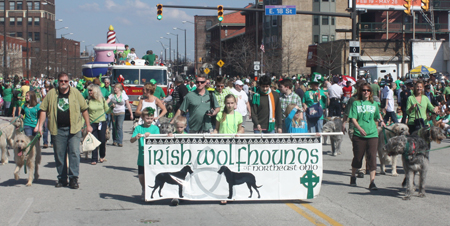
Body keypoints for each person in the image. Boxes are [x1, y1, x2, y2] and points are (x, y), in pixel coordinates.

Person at [35, 72, 93, 189]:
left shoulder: (75, 93)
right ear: (58, 82)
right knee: (59, 155)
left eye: (65, 81)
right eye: (61, 81)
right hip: (57, 129)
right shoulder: (51, 94)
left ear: (69, 81)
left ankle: (73, 178)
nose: (63, 83)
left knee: (74, 153)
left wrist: (88, 125)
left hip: (74, 129)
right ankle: (62, 178)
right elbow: (43, 110)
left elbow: (84, 109)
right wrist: (40, 126)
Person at [348, 83, 385, 190]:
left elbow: (378, 116)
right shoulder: (356, 103)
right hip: (359, 135)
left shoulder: (374, 104)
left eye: (368, 90)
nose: (366, 92)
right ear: (360, 92)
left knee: (372, 157)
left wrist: (381, 121)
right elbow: (353, 118)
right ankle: (353, 176)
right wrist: (359, 128)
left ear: (370, 92)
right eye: (364, 90)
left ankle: (372, 182)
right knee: (358, 157)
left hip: (372, 134)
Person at [130, 107, 160, 200]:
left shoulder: (155, 128)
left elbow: (159, 140)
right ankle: (144, 187)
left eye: (151, 118)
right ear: (142, 118)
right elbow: (131, 140)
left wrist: (151, 136)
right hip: (142, 156)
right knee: (141, 175)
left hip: (152, 156)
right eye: (147, 118)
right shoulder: (138, 128)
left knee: (151, 174)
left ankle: (150, 190)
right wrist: (136, 137)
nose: (149, 120)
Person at [87, 84, 110, 165]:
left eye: (90, 90)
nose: (89, 92)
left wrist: (112, 108)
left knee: (102, 140)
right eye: (88, 90)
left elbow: (107, 111)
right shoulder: (88, 101)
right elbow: (85, 113)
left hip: (102, 122)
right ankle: (94, 158)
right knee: (94, 141)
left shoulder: (102, 100)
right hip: (92, 123)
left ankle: (102, 155)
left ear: (95, 91)